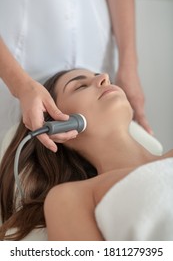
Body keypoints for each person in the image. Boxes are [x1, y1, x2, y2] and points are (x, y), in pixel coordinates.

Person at [0, 68, 172, 241]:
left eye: (103, 77)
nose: (105, 77)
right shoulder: (71, 198)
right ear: (58, 128)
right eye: (80, 86)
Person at [0, 0, 152, 152]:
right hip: (21, 65)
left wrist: (129, 67)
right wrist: (21, 85)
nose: (105, 78)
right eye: (80, 86)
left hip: (95, 51)